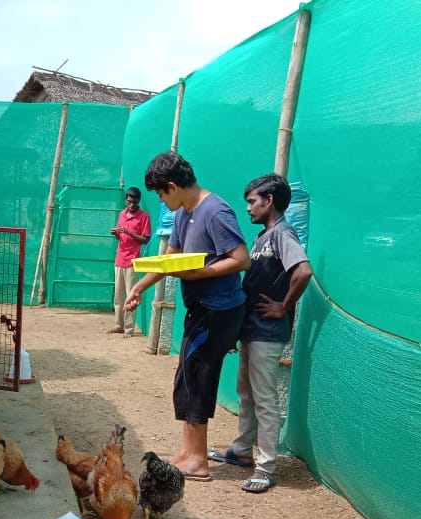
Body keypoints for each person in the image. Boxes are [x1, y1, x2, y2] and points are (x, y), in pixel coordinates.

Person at [125, 152, 249, 481]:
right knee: (187, 378)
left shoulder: (216, 210)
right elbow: (171, 258)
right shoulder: (183, 212)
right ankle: (187, 452)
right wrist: (140, 285)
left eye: (161, 195)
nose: (162, 202)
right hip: (201, 308)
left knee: (197, 378)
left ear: (172, 186)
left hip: (219, 309)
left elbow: (241, 259)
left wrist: (199, 274)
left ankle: (197, 460)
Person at [209, 173, 312, 493]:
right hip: (252, 330)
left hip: (268, 332)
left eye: (253, 202)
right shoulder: (263, 237)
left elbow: (304, 271)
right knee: (246, 393)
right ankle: (241, 451)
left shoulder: (283, 233)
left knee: (264, 399)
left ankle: (266, 466)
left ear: (269, 200)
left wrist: (283, 306)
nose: (249, 208)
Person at [108, 186, 150, 337]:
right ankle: (119, 325)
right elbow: (121, 236)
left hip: (133, 261)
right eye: (129, 201)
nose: (132, 205)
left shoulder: (143, 217)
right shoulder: (122, 215)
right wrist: (116, 233)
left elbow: (145, 239)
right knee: (118, 296)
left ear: (139, 201)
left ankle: (129, 329)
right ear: (126, 200)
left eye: (135, 202)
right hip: (119, 259)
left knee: (130, 295)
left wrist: (129, 232)